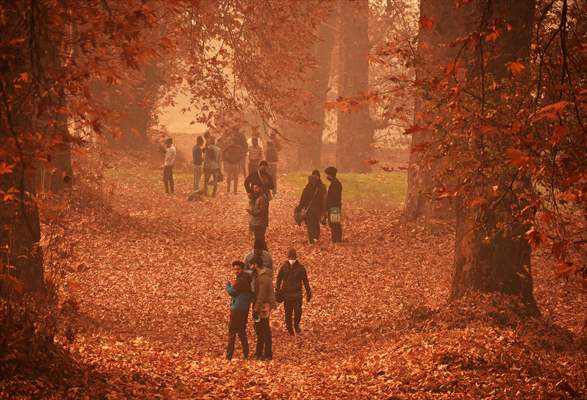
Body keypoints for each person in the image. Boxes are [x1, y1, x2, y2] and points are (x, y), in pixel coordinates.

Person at [275, 248, 311, 336]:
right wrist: (277, 288)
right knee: (288, 313)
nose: (292, 259)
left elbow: (305, 280)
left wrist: (308, 292)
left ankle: (296, 325)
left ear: (296, 257)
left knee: (298, 312)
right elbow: (278, 278)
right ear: (288, 257)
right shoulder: (283, 267)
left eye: (293, 257)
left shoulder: (301, 268)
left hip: (297, 294)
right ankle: (289, 329)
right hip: (286, 294)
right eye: (290, 257)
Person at [225, 261, 252, 360]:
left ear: (242, 269)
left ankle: (228, 357)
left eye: (238, 269)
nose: (236, 271)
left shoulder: (241, 280)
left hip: (237, 309)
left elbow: (233, 292)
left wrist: (227, 286)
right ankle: (246, 353)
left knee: (232, 332)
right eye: (235, 269)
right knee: (241, 331)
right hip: (244, 308)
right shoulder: (246, 278)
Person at [250, 256, 276, 360]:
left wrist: (256, 309)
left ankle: (267, 354)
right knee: (260, 329)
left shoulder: (263, 278)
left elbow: (261, 295)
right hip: (262, 306)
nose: (251, 266)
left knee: (264, 330)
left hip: (263, 307)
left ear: (256, 264)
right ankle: (259, 352)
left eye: (252, 264)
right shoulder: (261, 276)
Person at [295, 170, 327, 244]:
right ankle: (314, 238)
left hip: (310, 210)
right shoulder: (322, 187)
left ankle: (312, 239)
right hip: (316, 210)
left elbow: (303, 200)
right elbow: (324, 199)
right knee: (315, 224)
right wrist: (324, 211)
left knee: (311, 224)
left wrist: (299, 209)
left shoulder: (308, 187)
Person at [324, 166, 343, 242]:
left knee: (335, 224)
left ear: (331, 175)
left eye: (328, 175)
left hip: (334, 207)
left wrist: (329, 205)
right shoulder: (335, 183)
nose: (327, 177)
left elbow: (334, 197)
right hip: (333, 206)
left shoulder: (336, 184)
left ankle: (337, 239)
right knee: (333, 223)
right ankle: (335, 239)